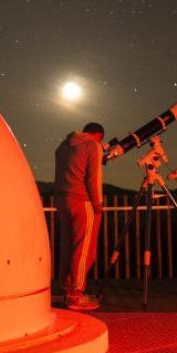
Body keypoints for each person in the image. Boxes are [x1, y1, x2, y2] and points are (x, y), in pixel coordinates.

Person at [54, 122, 105, 311]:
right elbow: (93, 178)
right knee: (84, 248)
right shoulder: (93, 145)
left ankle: (68, 291)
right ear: (98, 135)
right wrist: (98, 204)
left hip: (62, 199)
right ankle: (76, 294)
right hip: (82, 201)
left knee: (68, 246)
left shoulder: (63, 146)